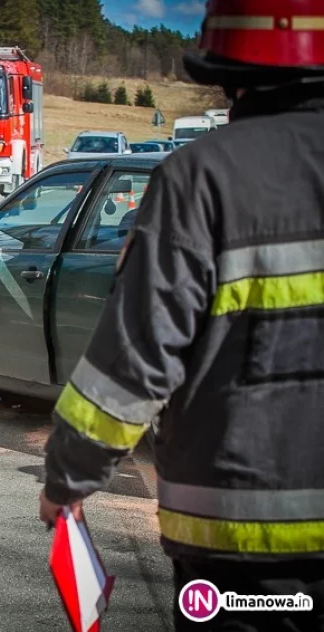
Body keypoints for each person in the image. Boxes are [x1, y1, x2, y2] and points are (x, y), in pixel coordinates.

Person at [38, 1, 324, 630]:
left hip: (242, 544)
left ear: (227, 73)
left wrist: (68, 477)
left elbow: (135, 361)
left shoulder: (201, 179)